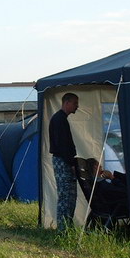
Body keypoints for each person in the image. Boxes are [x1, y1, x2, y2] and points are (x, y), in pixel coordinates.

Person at [49, 92, 79, 231]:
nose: (77, 106)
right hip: (62, 161)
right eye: (75, 103)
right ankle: (63, 228)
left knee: (70, 195)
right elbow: (62, 145)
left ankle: (67, 226)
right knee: (65, 195)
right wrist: (71, 163)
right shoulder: (59, 119)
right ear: (66, 103)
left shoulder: (61, 119)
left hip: (64, 160)